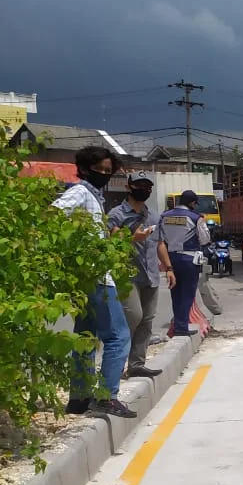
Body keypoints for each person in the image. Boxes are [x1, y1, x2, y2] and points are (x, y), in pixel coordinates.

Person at [52, 146, 137, 419]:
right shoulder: (80, 192)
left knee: (86, 337)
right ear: (86, 169)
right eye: (100, 170)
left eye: (108, 171)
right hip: (96, 276)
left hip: (85, 275)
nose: (104, 174)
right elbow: (53, 216)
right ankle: (106, 397)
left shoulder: (94, 197)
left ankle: (79, 397)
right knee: (118, 336)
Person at [107, 172, 176, 379]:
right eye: (139, 185)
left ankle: (136, 364)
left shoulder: (153, 215)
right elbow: (112, 238)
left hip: (151, 276)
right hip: (127, 276)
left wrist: (169, 268)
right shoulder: (117, 214)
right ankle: (115, 367)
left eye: (147, 186)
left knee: (147, 320)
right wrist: (131, 236)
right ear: (129, 187)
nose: (144, 189)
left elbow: (160, 244)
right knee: (132, 317)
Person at [160, 190, 211, 338]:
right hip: (189, 259)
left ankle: (178, 324)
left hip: (170, 259)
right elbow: (205, 239)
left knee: (175, 294)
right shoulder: (196, 218)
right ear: (192, 203)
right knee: (187, 294)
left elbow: (159, 238)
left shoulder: (164, 216)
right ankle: (181, 327)